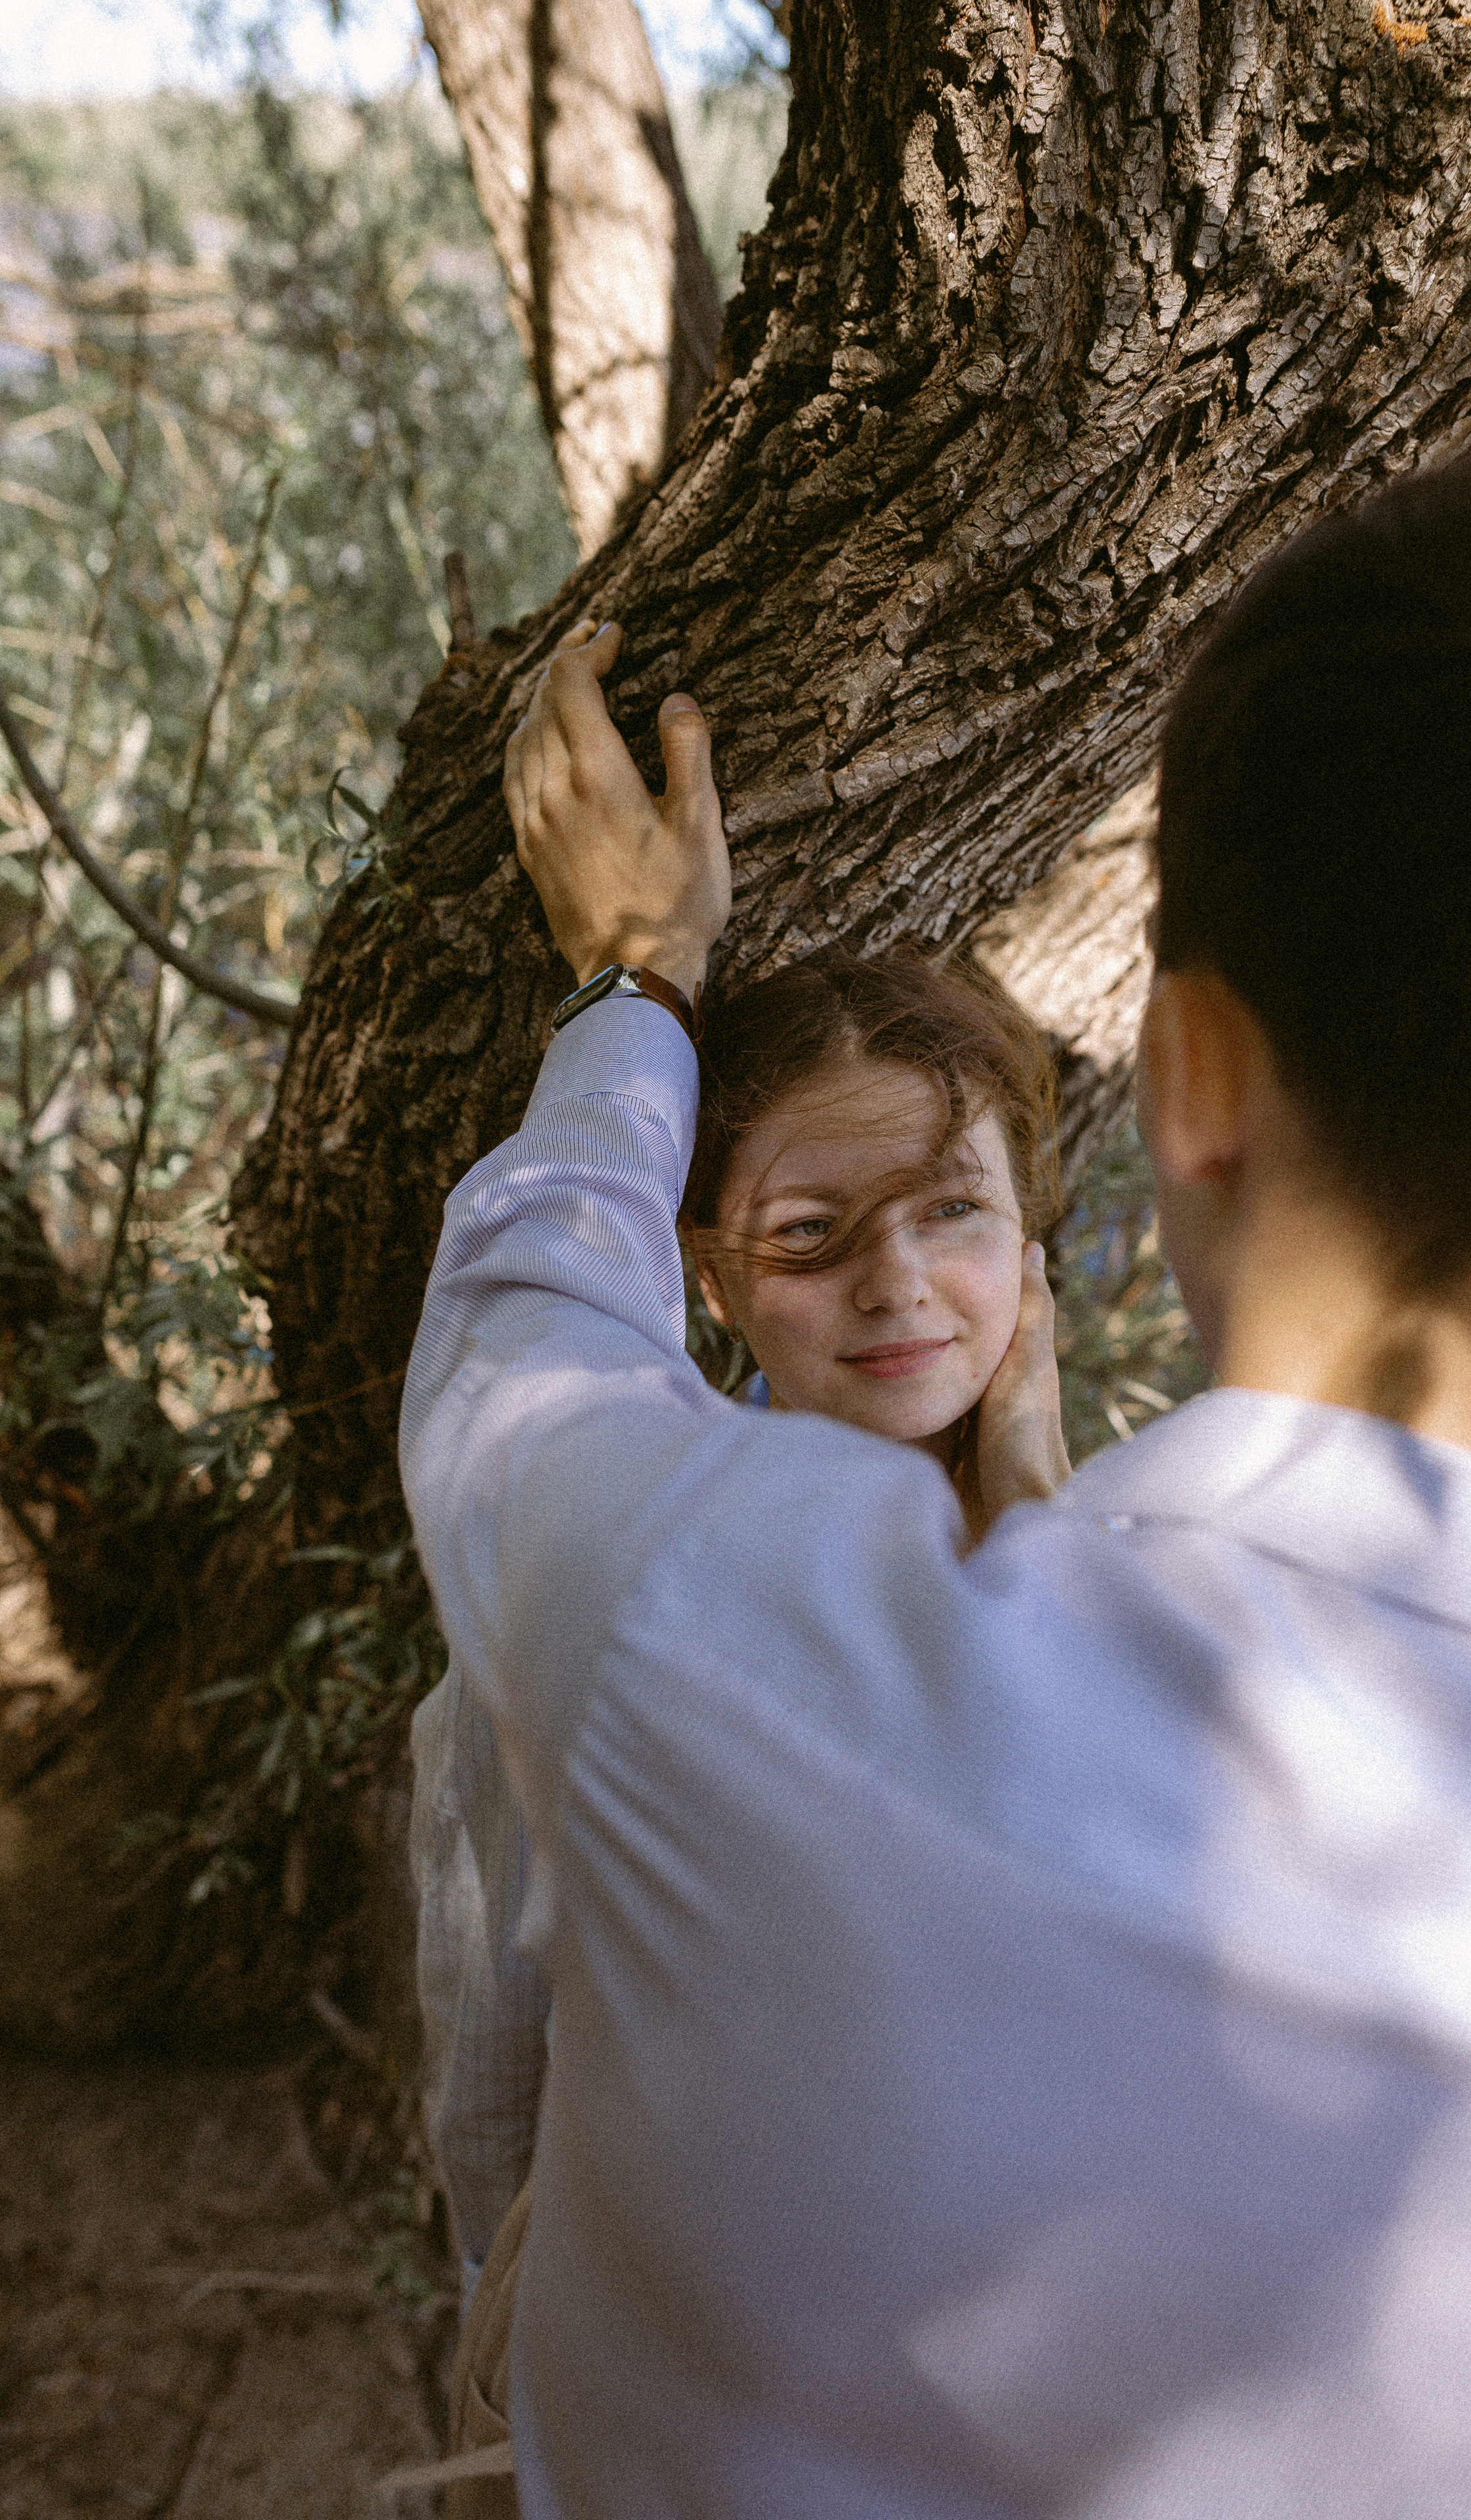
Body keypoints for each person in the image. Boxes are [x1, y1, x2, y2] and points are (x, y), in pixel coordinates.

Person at [402, 423, 1471, 2518]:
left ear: (1182, 1082)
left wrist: (637, 977)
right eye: (815, 1237)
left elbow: (519, 1342)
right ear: (730, 1266)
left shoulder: (722, 1649)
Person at [406, 947, 1071, 2458]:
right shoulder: (628, 1588)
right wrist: (497, 2303)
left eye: (952, 1212)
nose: (895, 1281)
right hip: (656, 2380)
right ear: (711, 1273)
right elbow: (495, 2027)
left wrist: (1036, 1499)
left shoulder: (1148, 1584)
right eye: (811, 1233)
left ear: (1029, 1236)